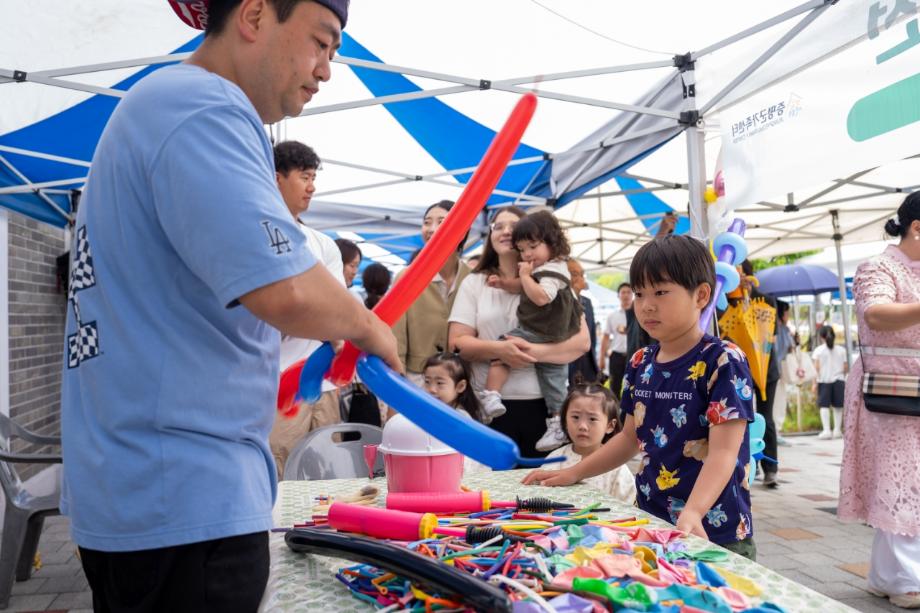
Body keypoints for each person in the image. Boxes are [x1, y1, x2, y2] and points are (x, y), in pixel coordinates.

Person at [59, 1, 401, 610]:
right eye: (321, 42)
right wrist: (369, 325)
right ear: (253, 15)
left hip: (144, 489)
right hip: (182, 495)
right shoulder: (201, 107)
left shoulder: (161, 107)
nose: (326, 69)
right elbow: (285, 286)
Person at [524, 235, 757, 560]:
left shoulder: (723, 361)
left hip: (713, 530)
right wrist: (574, 472)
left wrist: (692, 512)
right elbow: (630, 437)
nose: (646, 304)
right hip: (651, 520)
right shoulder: (640, 362)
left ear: (701, 295)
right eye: (639, 293)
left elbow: (724, 453)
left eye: (661, 292)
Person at [449, 206, 590, 458]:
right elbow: (457, 343)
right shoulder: (475, 282)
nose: (505, 232)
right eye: (497, 226)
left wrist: (530, 351)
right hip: (489, 404)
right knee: (490, 489)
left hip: (543, 405)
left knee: (539, 489)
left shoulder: (553, 276)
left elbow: (582, 343)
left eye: (512, 226)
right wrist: (500, 350)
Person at [838, 193, 920, 609]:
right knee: (900, 480)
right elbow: (875, 313)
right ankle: (905, 580)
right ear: (917, 227)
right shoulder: (878, 266)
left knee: (912, 481)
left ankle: (885, 576)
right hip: (890, 389)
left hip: (912, 389)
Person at [268, 140, 346, 477]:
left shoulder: (323, 244)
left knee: (330, 470)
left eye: (314, 177)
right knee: (279, 467)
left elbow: (338, 311)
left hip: (326, 383)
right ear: (276, 178)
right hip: (278, 383)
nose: (312, 187)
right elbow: (277, 314)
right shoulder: (257, 237)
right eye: (304, 177)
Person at [392, 200, 471, 386]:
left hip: (462, 380)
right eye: (427, 222)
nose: (432, 229)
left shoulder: (472, 278)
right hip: (417, 379)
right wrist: (398, 382)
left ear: (462, 229)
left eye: (441, 222)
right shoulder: (407, 277)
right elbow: (397, 340)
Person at [544, 383, 636, 502]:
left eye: (592, 419)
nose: (582, 426)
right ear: (565, 420)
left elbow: (629, 508)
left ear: (610, 425)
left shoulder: (617, 467)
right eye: (575, 417)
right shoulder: (554, 458)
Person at [567, 259, 600, 385]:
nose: (579, 278)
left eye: (581, 274)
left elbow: (592, 336)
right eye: (574, 274)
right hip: (567, 364)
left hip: (587, 364)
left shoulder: (587, 302)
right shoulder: (558, 302)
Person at [811, 326, 847, 439]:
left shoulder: (818, 350)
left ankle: (826, 430)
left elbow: (816, 368)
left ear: (821, 337)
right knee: (838, 406)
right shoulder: (842, 350)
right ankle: (837, 430)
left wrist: (814, 383)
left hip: (823, 380)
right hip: (839, 380)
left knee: (824, 406)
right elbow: (845, 367)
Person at [600, 282, 633, 398]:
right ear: (618, 295)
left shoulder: (638, 316)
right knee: (615, 387)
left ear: (633, 295)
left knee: (633, 387)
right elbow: (605, 337)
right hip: (616, 356)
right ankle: (615, 413)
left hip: (634, 355)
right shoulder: (612, 316)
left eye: (629, 292)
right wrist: (601, 358)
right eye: (623, 292)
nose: (626, 295)